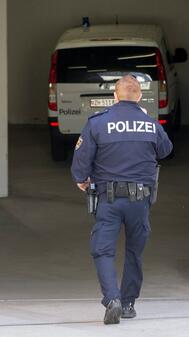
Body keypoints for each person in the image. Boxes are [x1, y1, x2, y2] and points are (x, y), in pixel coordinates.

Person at [71, 75, 173, 325]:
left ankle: (112, 299)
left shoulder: (98, 123)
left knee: (103, 249)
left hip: (110, 198)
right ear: (140, 97)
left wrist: (81, 179)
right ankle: (128, 303)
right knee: (134, 251)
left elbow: (82, 158)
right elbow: (166, 150)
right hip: (140, 201)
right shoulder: (151, 124)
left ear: (114, 97)